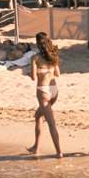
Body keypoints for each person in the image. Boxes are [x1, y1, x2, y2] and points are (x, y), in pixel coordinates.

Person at [26, 30, 62, 158]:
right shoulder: (53, 56)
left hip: (43, 90)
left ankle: (59, 152)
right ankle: (36, 148)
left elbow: (33, 77)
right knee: (38, 116)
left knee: (51, 123)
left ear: (37, 43)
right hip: (54, 91)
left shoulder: (35, 58)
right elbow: (58, 74)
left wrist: (32, 72)